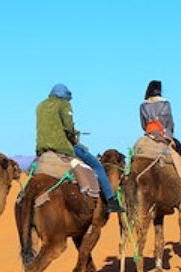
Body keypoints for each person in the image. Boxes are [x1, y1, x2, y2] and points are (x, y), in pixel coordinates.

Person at [35, 84, 125, 213]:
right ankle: (111, 201)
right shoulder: (63, 104)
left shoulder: (40, 106)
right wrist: (75, 137)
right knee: (97, 165)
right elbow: (68, 128)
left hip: (42, 149)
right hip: (62, 147)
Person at [140, 80, 181, 199]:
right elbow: (170, 123)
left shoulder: (143, 106)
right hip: (163, 135)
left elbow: (143, 124)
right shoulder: (165, 104)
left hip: (149, 135)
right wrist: (169, 136)